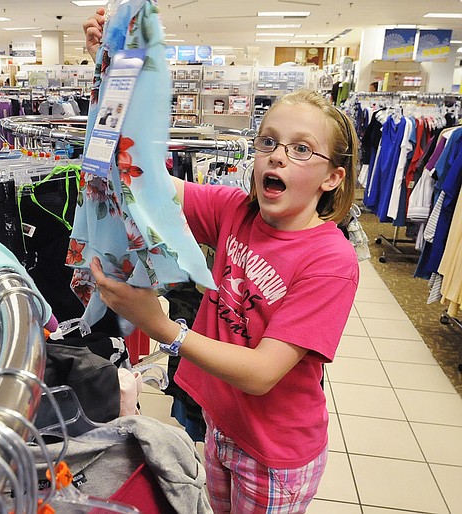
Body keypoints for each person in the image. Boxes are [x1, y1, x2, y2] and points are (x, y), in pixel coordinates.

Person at [83, 11, 360, 513]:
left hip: (276, 453)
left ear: (333, 178)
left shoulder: (331, 261)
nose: (276, 156)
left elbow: (261, 373)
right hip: (222, 426)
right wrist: (116, 67)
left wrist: (163, 327)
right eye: (269, 141)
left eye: (302, 150)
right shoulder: (237, 210)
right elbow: (141, 176)